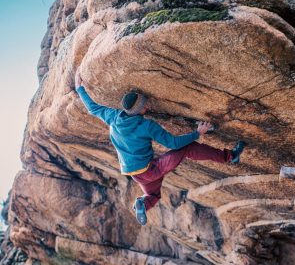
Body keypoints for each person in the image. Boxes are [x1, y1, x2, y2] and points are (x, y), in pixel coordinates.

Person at [75, 69, 246, 226]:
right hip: (152, 170)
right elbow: (173, 143)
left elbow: (92, 108)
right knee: (188, 147)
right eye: (144, 106)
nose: (147, 107)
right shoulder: (146, 126)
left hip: (135, 175)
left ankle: (142, 203)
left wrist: (79, 88)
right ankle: (231, 156)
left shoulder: (113, 117)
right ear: (137, 111)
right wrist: (197, 132)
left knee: (154, 196)